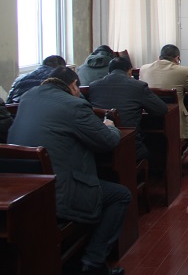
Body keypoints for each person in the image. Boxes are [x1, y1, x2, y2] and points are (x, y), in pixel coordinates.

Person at [8, 67, 130, 275]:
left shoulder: (28, 97)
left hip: (24, 189)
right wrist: (110, 126)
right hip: (57, 193)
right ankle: (93, 263)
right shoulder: (74, 105)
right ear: (73, 85)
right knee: (120, 195)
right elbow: (108, 140)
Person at [88, 57, 169, 161]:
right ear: (130, 71)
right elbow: (162, 109)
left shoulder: (93, 86)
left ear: (109, 71)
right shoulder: (138, 86)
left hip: (98, 146)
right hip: (129, 146)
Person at [139, 44, 188, 140]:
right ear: (177, 58)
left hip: (149, 121)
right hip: (175, 122)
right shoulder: (183, 71)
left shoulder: (144, 69)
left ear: (159, 57)